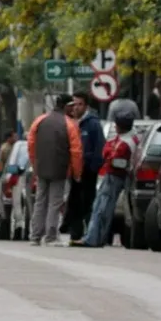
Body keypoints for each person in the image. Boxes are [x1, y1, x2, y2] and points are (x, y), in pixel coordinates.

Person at [74, 109, 138, 247]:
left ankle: (93, 238)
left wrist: (108, 153)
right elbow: (106, 150)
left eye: (116, 124)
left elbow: (109, 155)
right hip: (115, 176)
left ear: (120, 125)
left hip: (113, 177)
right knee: (101, 207)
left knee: (101, 208)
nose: (115, 126)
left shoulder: (124, 143)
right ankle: (96, 237)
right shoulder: (129, 139)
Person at [27, 94, 83, 245]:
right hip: (60, 169)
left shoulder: (39, 121)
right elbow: (76, 151)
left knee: (40, 201)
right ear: (65, 106)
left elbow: (31, 145)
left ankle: (35, 236)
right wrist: (77, 173)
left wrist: (35, 164)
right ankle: (51, 236)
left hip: (41, 168)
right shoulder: (70, 125)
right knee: (55, 203)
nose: (73, 108)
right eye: (71, 105)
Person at [64, 92, 105, 241]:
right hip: (74, 170)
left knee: (88, 201)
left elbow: (99, 147)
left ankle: (91, 232)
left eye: (80, 104)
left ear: (86, 106)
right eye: (74, 104)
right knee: (74, 201)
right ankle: (75, 231)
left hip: (87, 170)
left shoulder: (93, 124)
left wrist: (93, 167)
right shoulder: (69, 123)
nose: (76, 107)